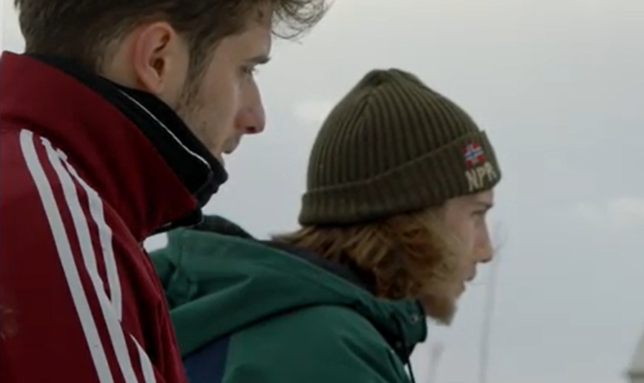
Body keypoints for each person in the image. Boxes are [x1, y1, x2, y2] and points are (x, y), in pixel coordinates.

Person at [0, 0, 333, 383]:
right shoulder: (46, 214)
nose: (255, 117)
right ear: (158, 58)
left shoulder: (56, 198)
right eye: (245, 69)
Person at [149, 68, 501, 383]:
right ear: (414, 218)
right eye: (477, 214)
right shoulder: (327, 353)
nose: (485, 250)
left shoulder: (248, 313)